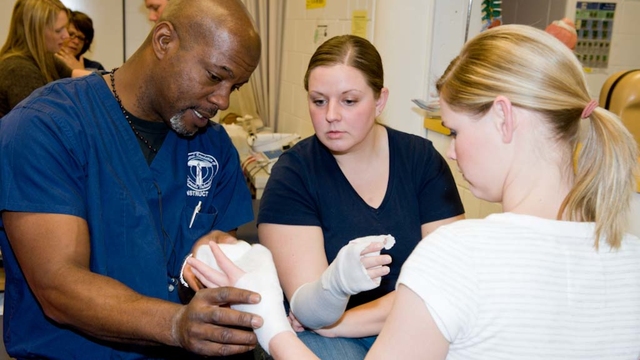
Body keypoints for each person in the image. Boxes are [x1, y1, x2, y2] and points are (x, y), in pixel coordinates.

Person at [190, 24, 640, 360]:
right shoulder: (630, 256)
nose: (456, 152)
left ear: (503, 118)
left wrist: (270, 322)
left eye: (455, 130)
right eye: (319, 100)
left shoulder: (459, 256)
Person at [0, 0, 264, 359]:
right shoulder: (46, 127)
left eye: (235, 86)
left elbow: (212, 271)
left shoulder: (214, 149)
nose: (222, 100)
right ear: (164, 41)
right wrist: (175, 324)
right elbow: (58, 285)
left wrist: (210, 262)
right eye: (215, 76)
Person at [256, 34, 465, 359]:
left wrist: (343, 322)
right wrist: (335, 292)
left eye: (349, 101)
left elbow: (444, 288)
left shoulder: (421, 161)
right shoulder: (294, 175)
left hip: (408, 325)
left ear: (380, 101)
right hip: (325, 337)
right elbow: (310, 313)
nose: (331, 115)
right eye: (319, 100)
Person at [0, 0, 87, 117]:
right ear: (35, 32)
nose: (66, 36)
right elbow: (40, 122)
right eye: (58, 30)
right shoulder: (19, 70)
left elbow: (77, 75)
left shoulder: (45, 57)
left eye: (65, 28)